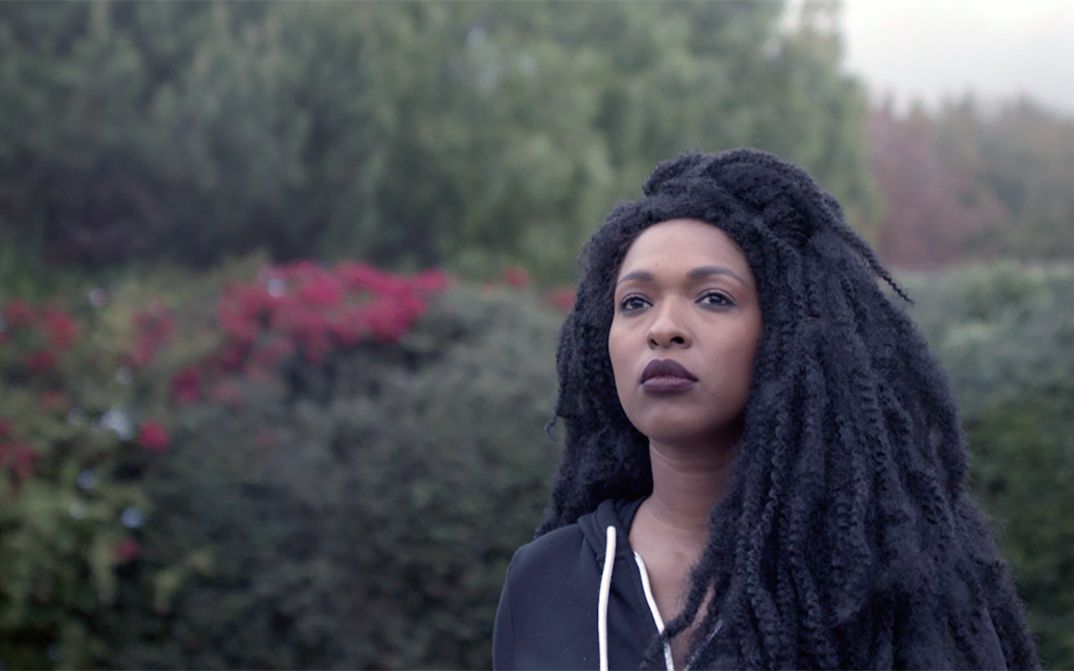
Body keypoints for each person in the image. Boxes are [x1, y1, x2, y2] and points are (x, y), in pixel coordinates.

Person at [492, 149, 1040, 671]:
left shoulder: (889, 582)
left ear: (789, 336)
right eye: (635, 302)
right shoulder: (545, 582)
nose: (663, 328)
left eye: (714, 298)